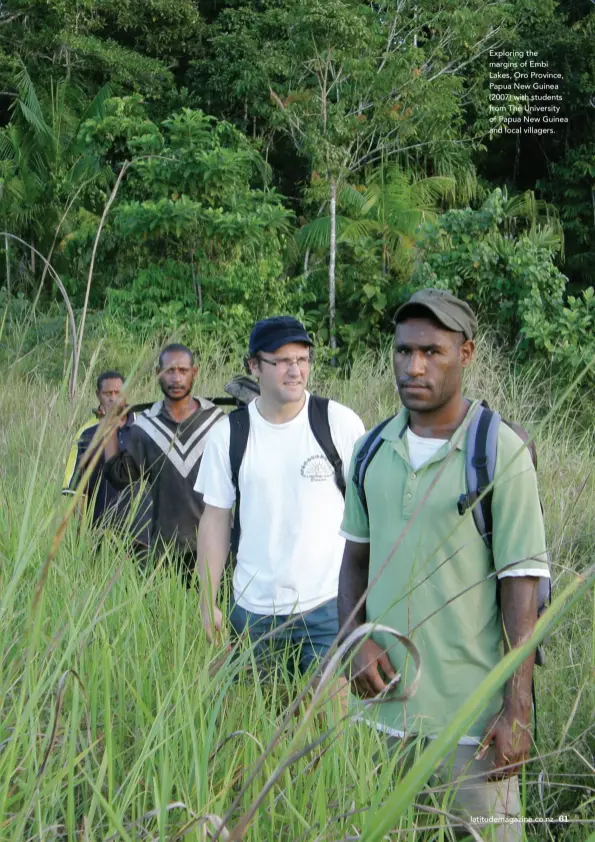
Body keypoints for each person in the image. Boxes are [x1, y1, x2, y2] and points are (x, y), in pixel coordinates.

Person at [338, 289, 550, 841]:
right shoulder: (369, 451)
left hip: (471, 726)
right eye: (404, 351)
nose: (414, 366)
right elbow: (354, 562)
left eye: (432, 352)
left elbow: (522, 587)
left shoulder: (499, 453)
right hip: (381, 718)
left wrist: (517, 709)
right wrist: (354, 640)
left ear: (467, 354)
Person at [195, 316, 365, 677]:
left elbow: (368, 514)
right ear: (254, 366)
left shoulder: (338, 422)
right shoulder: (229, 434)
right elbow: (215, 521)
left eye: (302, 360)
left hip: (328, 607)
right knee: (257, 721)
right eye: (282, 361)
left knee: (328, 720)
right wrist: (207, 601)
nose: (295, 371)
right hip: (253, 612)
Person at [104, 344, 225, 583]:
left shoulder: (218, 423)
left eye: (183, 370)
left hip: (217, 547)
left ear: (195, 372)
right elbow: (119, 476)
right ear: (158, 373)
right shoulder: (146, 427)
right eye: (169, 371)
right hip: (164, 549)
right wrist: (108, 425)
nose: (176, 378)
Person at [62, 370, 151, 549]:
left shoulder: (146, 429)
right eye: (107, 393)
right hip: (101, 535)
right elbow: (77, 492)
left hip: (144, 535)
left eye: (118, 393)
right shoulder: (86, 435)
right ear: (98, 395)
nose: (112, 398)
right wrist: (81, 538)